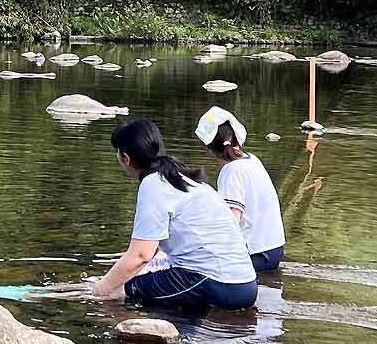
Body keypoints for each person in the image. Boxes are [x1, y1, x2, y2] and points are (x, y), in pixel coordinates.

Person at [92, 118, 259, 312]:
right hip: (244, 283)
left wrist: (100, 289)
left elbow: (140, 256)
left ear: (126, 158)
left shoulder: (153, 184)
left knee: (119, 292)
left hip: (218, 284)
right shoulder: (180, 176)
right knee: (135, 281)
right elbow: (150, 252)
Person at [195, 106, 286, 272]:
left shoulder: (231, 171)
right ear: (238, 137)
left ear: (209, 149)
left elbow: (231, 223)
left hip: (257, 254)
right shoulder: (253, 160)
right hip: (275, 249)